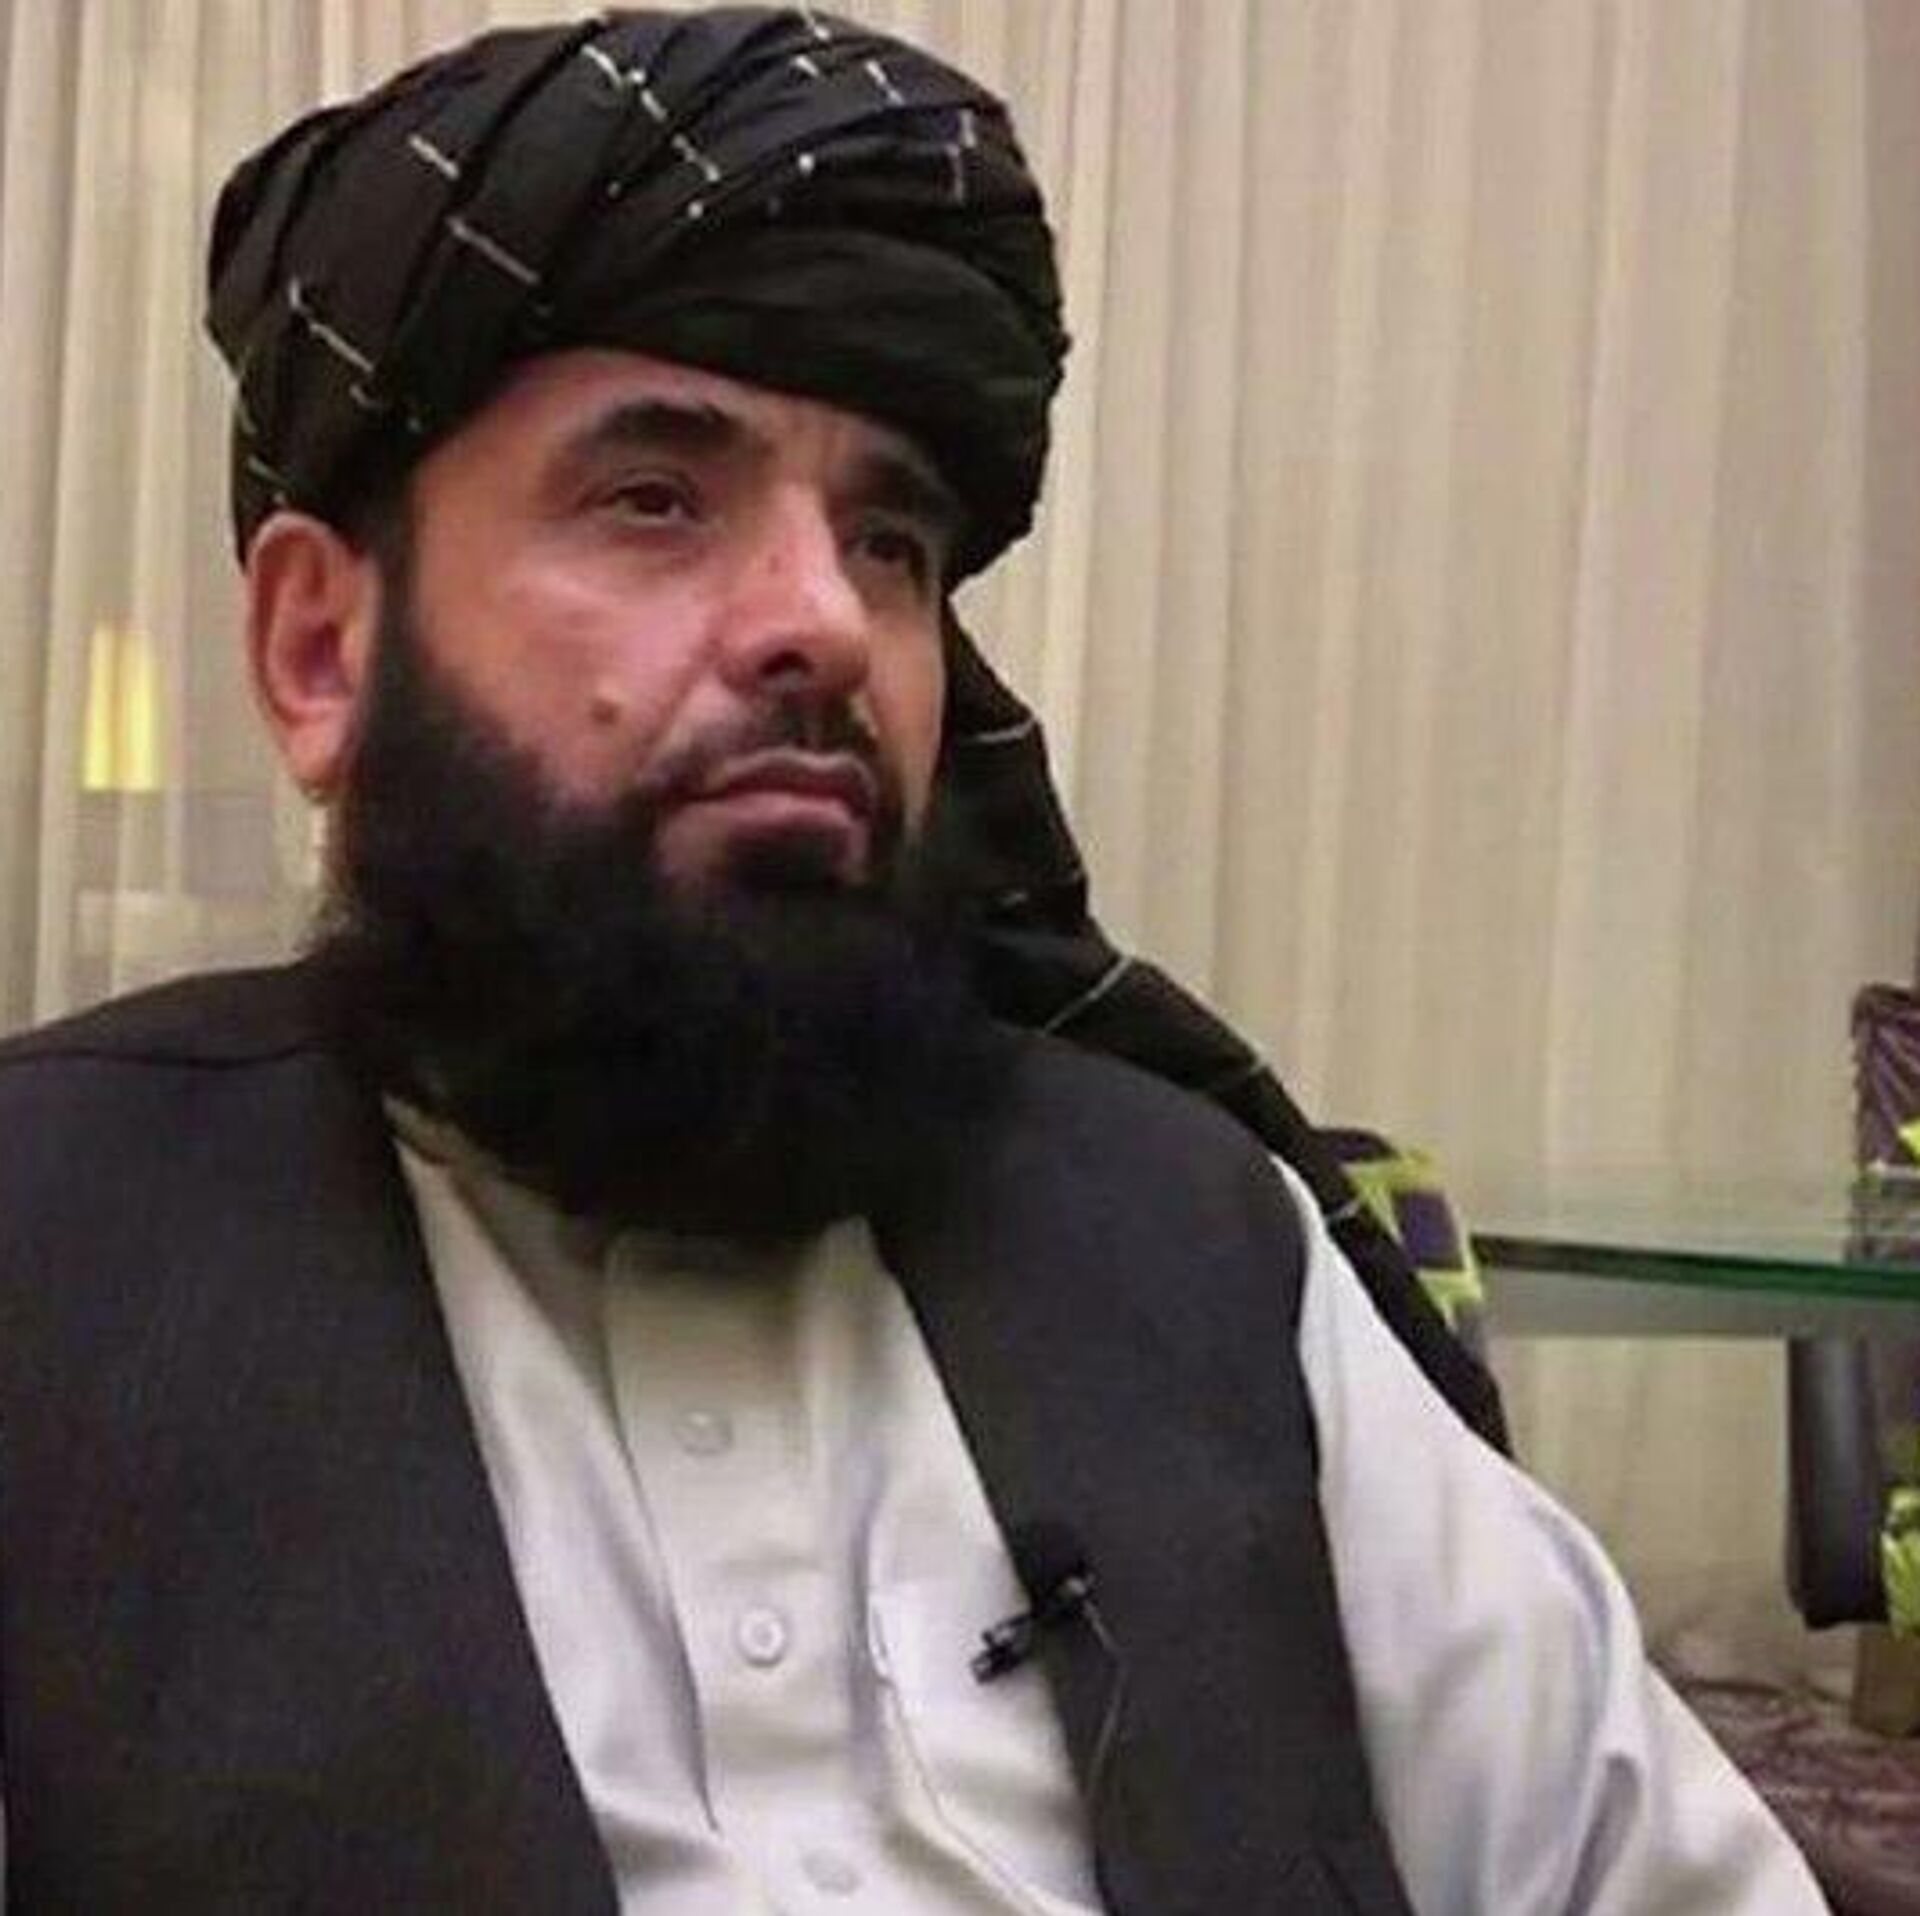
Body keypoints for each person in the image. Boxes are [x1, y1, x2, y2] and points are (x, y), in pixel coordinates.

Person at [0, 9, 1823, 1912]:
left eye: (890, 544)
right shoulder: (43, 1256)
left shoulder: (1207, 1244)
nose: (824, 622)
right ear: (320, 651)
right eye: (654, 498)